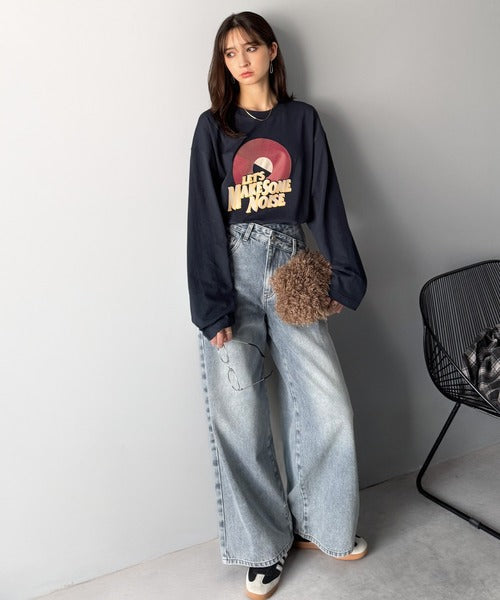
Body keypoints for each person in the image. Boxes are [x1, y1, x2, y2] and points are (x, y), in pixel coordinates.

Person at [187, 11, 368, 600]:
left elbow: (326, 199)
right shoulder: (212, 128)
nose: (240, 60)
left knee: (328, 405)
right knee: (240, 417)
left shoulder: (302, 119)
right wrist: (211, 306)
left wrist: (345, 277)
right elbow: (203, 218)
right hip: (231, 273)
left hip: (292, 265)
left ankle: (320, 523)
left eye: (250, 48)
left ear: (270, 52)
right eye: (229, 52)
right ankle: (262, 548)